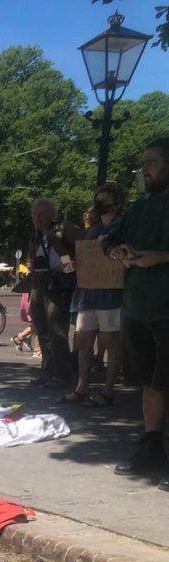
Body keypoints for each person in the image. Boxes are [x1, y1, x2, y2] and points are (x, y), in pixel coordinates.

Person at [104, 137, 169, 485]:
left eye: (154, 162)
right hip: (138, 305)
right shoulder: (142, 205)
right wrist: (118, 249)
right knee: (148, 381)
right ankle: (152, 445)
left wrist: (161, 257)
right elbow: (108, 237)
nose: (146, 169)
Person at [62, 182, 127, 407]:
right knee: (83, 339)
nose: (99, 204)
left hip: (110, 292)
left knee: (110, 340)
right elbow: (87, 258)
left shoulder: (123, 226)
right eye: (98, 199)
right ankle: (82, 387)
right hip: (88, 292)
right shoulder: (94, 229)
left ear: (117, 203)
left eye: (104, 200)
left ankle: (108, 390)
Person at [27, 199, 82, 388]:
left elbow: (74, 260)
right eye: (35, 215)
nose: (37, 218)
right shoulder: (35, 235)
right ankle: (47, 371)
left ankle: (62, 374)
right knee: (42, 329)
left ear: (51, 214)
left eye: (41, 214)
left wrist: (57, 244)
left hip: (59, 282)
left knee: (57, 330)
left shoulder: (62, 229)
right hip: (39, 281)